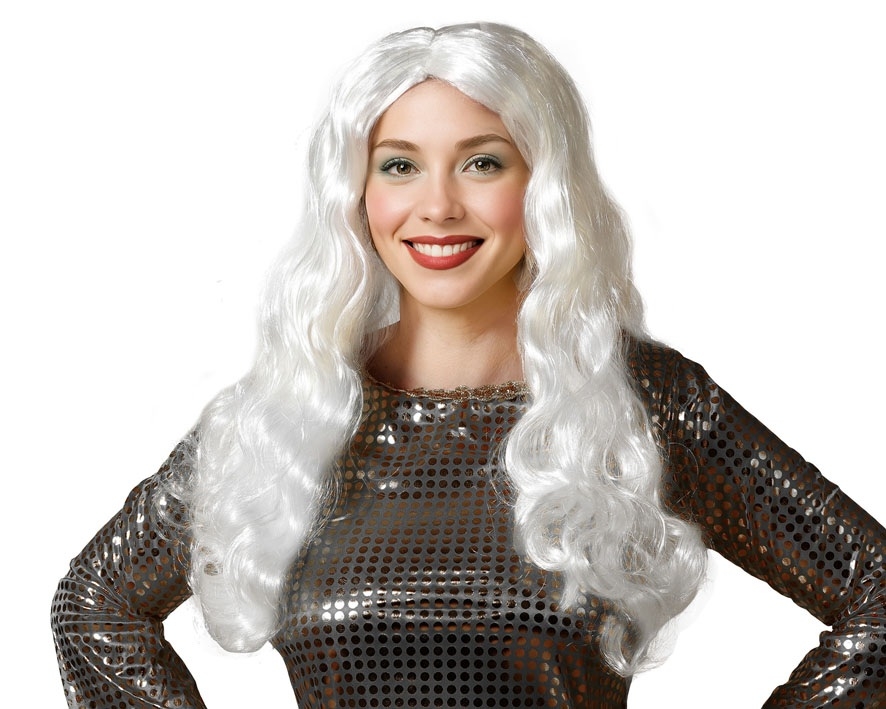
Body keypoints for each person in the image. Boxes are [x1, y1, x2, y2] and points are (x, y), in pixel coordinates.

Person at [51, 22, 885, 708]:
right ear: (358, 195)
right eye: (400, 165)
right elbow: (93, 609)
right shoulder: (283, 415)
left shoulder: (643, 405)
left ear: (543, 186)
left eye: (483, 162)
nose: (438, 205)